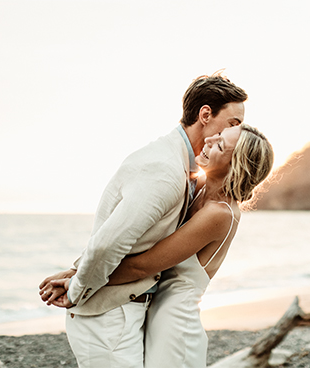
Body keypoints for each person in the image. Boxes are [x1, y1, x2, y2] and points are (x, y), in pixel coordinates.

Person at [38, 72, 248, 367]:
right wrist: (76, 287)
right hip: (110, 317)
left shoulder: (186, 172)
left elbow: (136, 246)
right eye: (234, 123)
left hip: (130, 312)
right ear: (205, 114)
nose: (236, 132)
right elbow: (106, 246)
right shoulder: (164, 169)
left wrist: (77, 276)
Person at [110, 124, 273, 367]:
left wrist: (79, 282)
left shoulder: (220, 213)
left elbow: (142, 267)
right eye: (217, 135)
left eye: (219, 145)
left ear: (236, 165)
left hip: (176, 327)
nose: (209, 140)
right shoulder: (197, 188)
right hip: (155, 314)